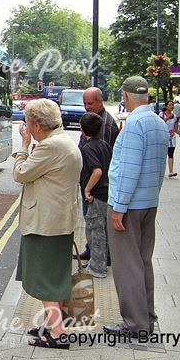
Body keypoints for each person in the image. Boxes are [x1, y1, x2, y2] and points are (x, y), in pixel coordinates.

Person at [11, 99, 83, 350]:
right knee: (55, 275)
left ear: (38, 125)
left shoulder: (49, 147)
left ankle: (58, 333)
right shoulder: (63, 142)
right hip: (59, 220)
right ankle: (55, 324)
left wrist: (23, 145)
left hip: (45, 223)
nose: (27, 128)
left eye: (29, 124)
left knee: (45, 279)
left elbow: (20, 173)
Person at [103, 76, 167, 339]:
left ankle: (134, 324)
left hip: (128, 206)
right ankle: (147, 317)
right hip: (149, 202)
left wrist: (119, 207)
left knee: (127, 266)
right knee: (143, 262)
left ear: (126, 96)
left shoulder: (133, 126)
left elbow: (128, 171)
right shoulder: (158, 123)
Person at [78, 112, 111, 278]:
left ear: (82, 130)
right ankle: (99, 263)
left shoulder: (87, 148)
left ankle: (98, 268)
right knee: (103, 230)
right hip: (107, 194)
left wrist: (86, 190)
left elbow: (96, 171)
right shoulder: (105, 145)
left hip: (96, 195)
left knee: (95, 231)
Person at [160, 101, 178, 178]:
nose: (172, 106)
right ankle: (160, 171)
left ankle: (171, 171)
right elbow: (160, 124)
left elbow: (175, 127)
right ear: (166, 106)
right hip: (163, 136)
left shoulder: (175, 116)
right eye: (170, 105)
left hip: (171, 137)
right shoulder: (161, 114)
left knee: (171, 153)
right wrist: (167, 118)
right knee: (162, 155)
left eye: (172, 105)